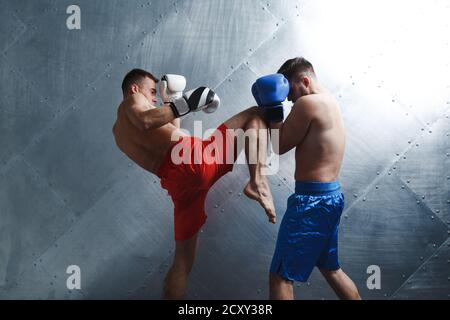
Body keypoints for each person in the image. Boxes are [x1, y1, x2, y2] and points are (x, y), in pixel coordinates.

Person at [112, 69, 276, 299]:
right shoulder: (131, 102)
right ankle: (257, 181)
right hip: (194, 159)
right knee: (256, 114)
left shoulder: (118, 134)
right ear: (134, 89)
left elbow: (170, 134)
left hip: (178, 184)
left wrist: (171, 102)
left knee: (182, 262)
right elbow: (146, 120)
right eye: (151, 92)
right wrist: (185, 103)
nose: (153, 99)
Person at [252, 57, 361, 300]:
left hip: (312, 202)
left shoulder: (309, 104)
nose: (290, 100)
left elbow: (279, 145)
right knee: (331, 269)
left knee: (280, 276)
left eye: (291, 93)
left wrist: (273, 108)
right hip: (331, 197)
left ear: (305, 81)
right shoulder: (330, 102)